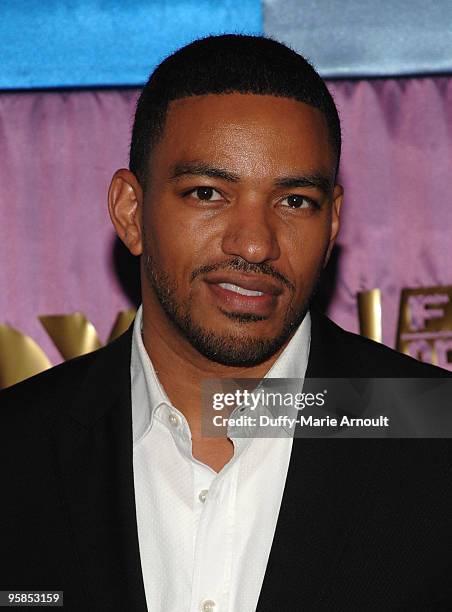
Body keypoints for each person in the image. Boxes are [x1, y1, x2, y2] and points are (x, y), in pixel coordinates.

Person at [1, 34, 451, 612]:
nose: (255, 244)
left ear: (333, 221)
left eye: (294, 202)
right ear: (131, 213)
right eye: (208, 193)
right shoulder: (15, 453)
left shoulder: (433, 438)